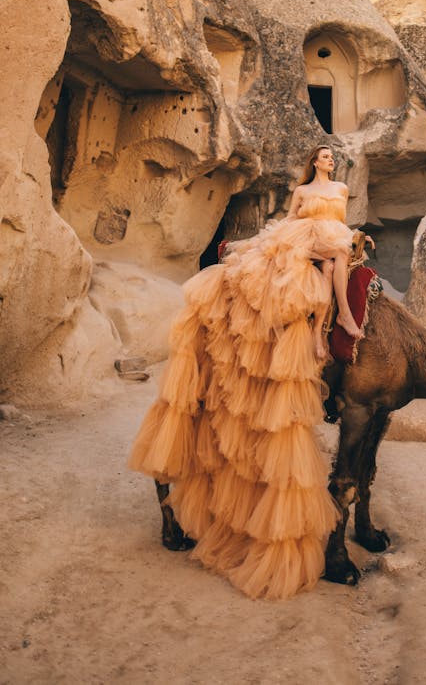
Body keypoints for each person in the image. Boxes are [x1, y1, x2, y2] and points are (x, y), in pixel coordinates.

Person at [129, 144, 365, 600]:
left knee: (338, 258)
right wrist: (304, 238)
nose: (329, 161)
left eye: (332, 156)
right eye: (323, 156)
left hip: (333, 238)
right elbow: (294, 219)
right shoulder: (301, 191)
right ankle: (326, 328)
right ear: (313, 161)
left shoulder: (342, 188)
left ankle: (335, 323)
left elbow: (340, 222)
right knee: (314, 268)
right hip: (306, 238)